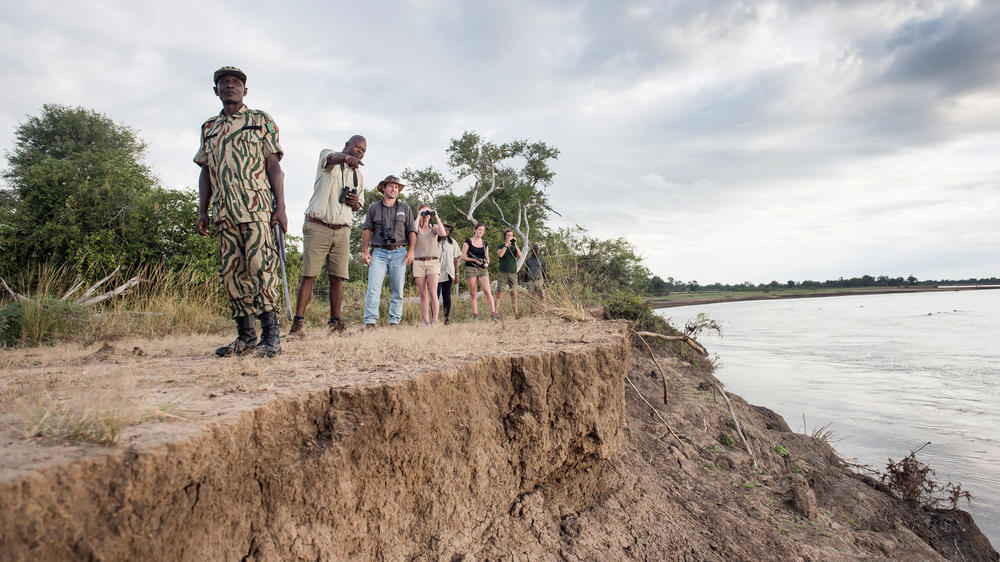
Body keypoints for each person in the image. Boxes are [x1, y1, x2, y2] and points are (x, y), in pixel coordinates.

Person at [195, 66, 287, 358]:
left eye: (236, 83)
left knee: (262, 268)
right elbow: (206, 171)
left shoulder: (259, 120)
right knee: (232, 274)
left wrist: (280, 206)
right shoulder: (209, 128)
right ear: (216, 91)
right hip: (224, 212)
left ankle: (271, 337)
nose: (229, 86)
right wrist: (203, 210)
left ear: (245, 91)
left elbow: (273, 165)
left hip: (256, 208)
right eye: (223, 83)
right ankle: (246, 338)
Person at [287, 135, 366, 337]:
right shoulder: (328, 157)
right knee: (309, 275)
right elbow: (332, 158)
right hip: (318, 225)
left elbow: (359, 206)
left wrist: (355, 202)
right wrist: (346, 159)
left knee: (338, 278)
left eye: (363, 150)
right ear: (347, 145)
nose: (360, 151)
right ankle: (298, 324)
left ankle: (335, 322)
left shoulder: (359, 176)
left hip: (342, 230)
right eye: (357, 147)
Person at [361, 175, 416, 327]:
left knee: (398, 289)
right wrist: (365, 252)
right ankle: (370, 322)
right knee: (373, 288)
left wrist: (411, 251)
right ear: (383, 188)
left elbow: (411, 230)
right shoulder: (373, 208)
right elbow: (367, 230)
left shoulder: (405, 208)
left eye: (396, 187)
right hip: (379, 252)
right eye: (391, 186)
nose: (394, 189)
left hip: (399, 252)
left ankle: (394, 321)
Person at [412, 204, 447, 324]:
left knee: (433, 292)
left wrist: (436, 216)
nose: (426, 214)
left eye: (428, 212)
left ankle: (435, 320)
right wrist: (418, 215)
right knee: (422, 293)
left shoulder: (434, 227)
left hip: (433, 262)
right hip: (418, 262)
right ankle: (425, 320)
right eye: (424, 212)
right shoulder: (415, 225)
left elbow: (443, 234)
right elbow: (413, 230)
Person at [461, 223, 497, 322]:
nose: (480, 232)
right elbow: (463, 257)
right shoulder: (468, 242)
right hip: (471, 268)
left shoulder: (485, 243)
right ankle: (475, 316)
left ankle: (493, 315)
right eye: (479, 230)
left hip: (482, 269)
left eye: (482, 230)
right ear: (475, 230)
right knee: (473, 293)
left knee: (487, 292)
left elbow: (487, 258)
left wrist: (486, 263)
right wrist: (474, 260)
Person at [495, 229, 522, 318]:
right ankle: (495, 314)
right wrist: (506, 245)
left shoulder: (515, 247)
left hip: (513, 273)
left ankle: (516, 314)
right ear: (505, 236)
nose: (510, 237)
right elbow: (500, 255)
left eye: (511, 235)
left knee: (514, 294)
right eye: (508, 235)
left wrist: (515, 244)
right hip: (503, 273)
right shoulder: (501, 245)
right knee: (499, 294)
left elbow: (520, 256)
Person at [436, 224, 461, 325]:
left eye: (447, 230)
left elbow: (456, 259)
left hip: (448, 272)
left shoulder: (452, 242)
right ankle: (435, 318)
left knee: (447, 296)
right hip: (435, 272)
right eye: (443, 230)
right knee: (435, 296)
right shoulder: (434, 241)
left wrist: (457, 273)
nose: (445, 232)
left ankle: (446, 317)